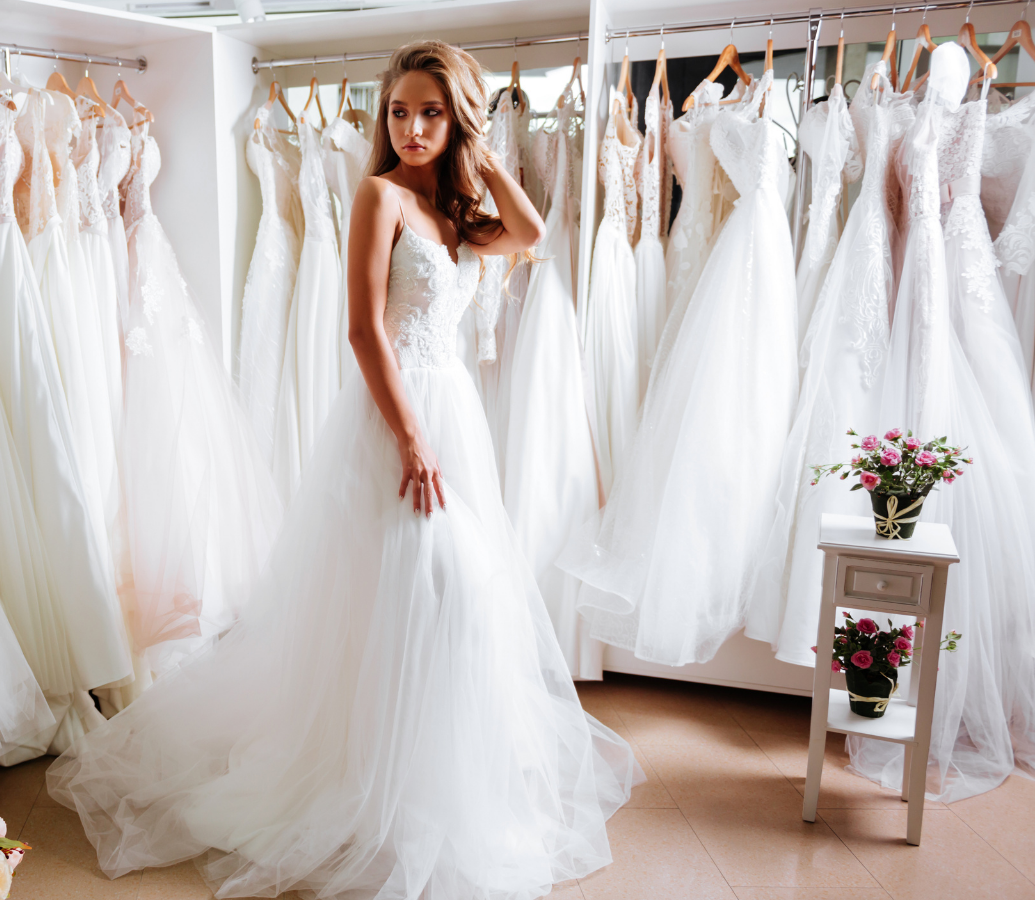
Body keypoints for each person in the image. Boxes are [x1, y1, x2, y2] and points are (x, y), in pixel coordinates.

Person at [47, 41, 640, 899]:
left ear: (458, 117)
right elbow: (363, 331)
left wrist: (480, 150)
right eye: (399, 112)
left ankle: (428, 767)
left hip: (451, 418)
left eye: (431, 112)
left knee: (447, 598)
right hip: (397, 422)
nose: (410, 127)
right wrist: (409, 440)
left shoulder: (454, 209)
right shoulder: (379, 197)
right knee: (422, 583)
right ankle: (373, 780)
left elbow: (533, 232)